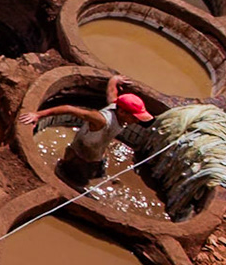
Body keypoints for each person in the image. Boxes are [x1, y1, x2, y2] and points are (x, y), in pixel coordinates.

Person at [20, 75, 154, 185]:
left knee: (95, 170)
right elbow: (69, 109)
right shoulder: (101, 120)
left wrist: (115, 79)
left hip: (95, 154)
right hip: (80, 155)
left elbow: (112, 91)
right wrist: (38, 115)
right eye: (135, 117)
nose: (137, 121)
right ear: (123, 112)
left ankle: (99, 178)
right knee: (73, 179)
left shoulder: (116, 106)